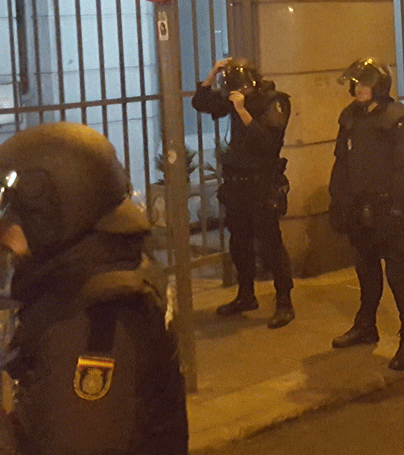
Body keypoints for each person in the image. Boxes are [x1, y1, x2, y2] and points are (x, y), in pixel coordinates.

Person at [0, 122, 188, 454]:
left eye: (14, 219)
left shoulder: (94, 323)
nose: (6, 238)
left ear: (54, 215)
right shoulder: (97, 277)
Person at [328, 58, 404, 371]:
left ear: (380, 86)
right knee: (365, 268)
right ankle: (366, 324)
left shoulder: (397, 118)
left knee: (397, 270)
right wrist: (338, 200)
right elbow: (341, 162)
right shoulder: (349, 117)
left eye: (365, 83)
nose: (359, 89)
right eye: (357, 83)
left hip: (387, 208)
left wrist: (398, 208)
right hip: (358, 206)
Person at [192, 57, 295, 329]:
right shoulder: (234, 99)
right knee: (239, 243)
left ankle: (284, 301)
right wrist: (213, 73)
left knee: (271, 244)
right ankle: (246, 294)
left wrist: (242, 111)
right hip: (237, 185)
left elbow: (266, 141)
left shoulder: (275, 101)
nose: (238, 95)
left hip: (262, 184)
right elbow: (200, 103)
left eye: (240, 89)